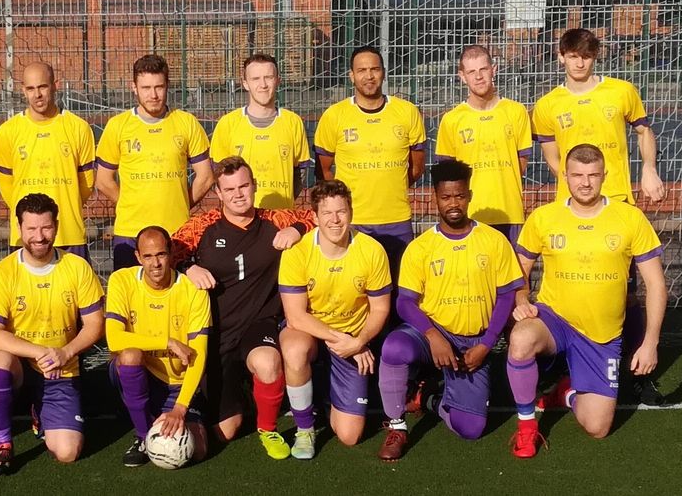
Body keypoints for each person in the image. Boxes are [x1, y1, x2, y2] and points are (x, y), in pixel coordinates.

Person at [505, 143, 666, 458]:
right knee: (521, 337)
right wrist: (522, 298)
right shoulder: (544, 217)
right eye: (577, 174)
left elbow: (657, 285)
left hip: (601, 334)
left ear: (605, 175)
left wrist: (650, 343)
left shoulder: (630, 218)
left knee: (597, 428)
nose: (585, 182)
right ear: (564, 175)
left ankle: (567, 391)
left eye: (593, 175)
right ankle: (527, 428)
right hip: (555, 320)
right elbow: (517, 275)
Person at [375, 162, 523, 461]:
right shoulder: (421, 247)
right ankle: (397, 425)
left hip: (473, 342)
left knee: (471, 429)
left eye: (459, 196)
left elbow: (507, 295)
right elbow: (405, 302)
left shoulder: (493, 241)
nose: (453, 204)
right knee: (394, 347)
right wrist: (432, 335)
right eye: (446, 197)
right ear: (435, 198)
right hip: (433, 334)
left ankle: (429, 397)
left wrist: (486, 343)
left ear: (468, 195)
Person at [171, 156, 315, 459]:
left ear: (254, 186)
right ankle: (248, 399)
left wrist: (297, 229)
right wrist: (187, 266)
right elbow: (164, 250)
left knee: (268, 362)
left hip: (259, 324)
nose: (238, 194)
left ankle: (267, 427)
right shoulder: (203, 226)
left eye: (244, 186)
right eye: (230, 189)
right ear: (219, 193)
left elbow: (320, 215)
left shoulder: (274, 219)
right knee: (226, 430)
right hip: (218, 330)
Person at [0, 193, 104, 473]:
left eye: (46, 227)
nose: (39, 236)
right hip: (20, 367)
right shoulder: (4, 272)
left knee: (68, 452)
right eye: (31, 228)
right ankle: (4, 445)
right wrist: (40, 352)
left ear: (56, 226)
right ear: (19, 228)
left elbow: (95, 324)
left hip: (61, 367)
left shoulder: (76, 267)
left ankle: (40, 411)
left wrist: (65, 352)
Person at [278, 179, 392, 459]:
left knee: (350, 436)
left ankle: (323, 394)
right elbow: (295, 315)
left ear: (351, 212)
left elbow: (379, 310)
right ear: (315, 217)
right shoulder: (298, 252)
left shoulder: (372, 250)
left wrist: (361, 340)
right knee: (294, 348)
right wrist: (343, 339)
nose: (335, 220)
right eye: (327, 213)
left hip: (352, 340)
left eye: (341, 211)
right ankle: (305, 428)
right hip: (315, 334)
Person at [313, 45, 426, 293]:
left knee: (400, 292)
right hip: (354, 222)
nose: (369, 76)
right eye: (362, 70)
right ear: (352, 75)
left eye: (374, 69)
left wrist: (390, 185)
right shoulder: (335, 116)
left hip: (396, 221)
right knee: (355, 291)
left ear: (384, 73)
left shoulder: (406, 112)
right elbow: (324, 172)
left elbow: (417, 166)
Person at [95, 54, 214, 272]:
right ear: (134, 87)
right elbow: (103, 180)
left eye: (159, 87)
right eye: (146, 87)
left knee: (179, 298)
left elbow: (205, 176)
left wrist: (180, 202)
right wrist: (130, 202)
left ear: (167, 85)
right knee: (131, 300)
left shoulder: (186, 123)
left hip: (177, 231)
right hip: (130, 232)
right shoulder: (117, 126)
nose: (153, 94)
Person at [105, 226, 212, 467]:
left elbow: (199, 354)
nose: (155, 263)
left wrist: (180, 408)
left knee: (199, 451)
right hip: (145, 376)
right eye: (148, 256)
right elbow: (114, 339)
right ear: (138, 257)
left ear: (172, 253)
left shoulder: (193, 289)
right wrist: (167, 342)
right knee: (130, 355)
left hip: (179, 384)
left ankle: (164, 418)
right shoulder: (122, 281)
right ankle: (143, 436)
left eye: (161, 254)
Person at [531, 28, 662, 204]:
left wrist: (649, 169)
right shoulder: (547, 104)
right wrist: (579, 186)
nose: (579, 64)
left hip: (616, 195)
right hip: (572, 201)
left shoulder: (622, 91)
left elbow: (644, 131)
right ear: (561, 57)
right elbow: (553, 159)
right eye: (573, 57)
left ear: (595, 56)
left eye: (586, 57)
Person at [0, 62, 96, 259]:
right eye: (30, 88)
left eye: (42, 87)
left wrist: (66, 203)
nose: (37, 94)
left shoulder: (79, 128)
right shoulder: (7, 131)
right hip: (27, 237)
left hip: (69, 234)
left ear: (56, 85)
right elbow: (6, 186)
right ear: (23, 90)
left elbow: (86, 184)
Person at [434, 44, 534, 244]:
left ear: (493, 70)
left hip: (510, 214)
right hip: (471, 215)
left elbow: (521, 163)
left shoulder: (516, 112)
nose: (478, 76)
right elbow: (448, 174)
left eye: (483, 69)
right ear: (462, 76)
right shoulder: (452, 120)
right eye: (471, 72)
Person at [209, 53, 312, 210]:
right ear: (245, 83)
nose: (263, 85)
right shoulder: (227, 124)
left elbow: (300, 174)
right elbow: (218, 175)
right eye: (255, 79)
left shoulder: (293, 122)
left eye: (268, 77)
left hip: (281, 218)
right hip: (242, 220)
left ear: (278, 80)